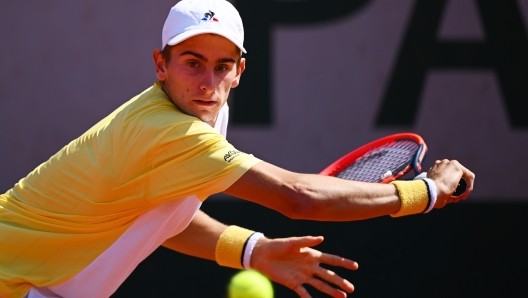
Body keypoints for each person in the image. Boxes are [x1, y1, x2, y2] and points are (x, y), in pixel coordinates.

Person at [0, 0, 475, 297]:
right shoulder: (171, 132)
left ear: (240, 70)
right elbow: (298, 197)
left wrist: (253, 251)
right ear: (160, 65)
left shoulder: (201, 110)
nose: (208, 82)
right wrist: (426, 193)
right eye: (191, 63)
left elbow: (162, 219)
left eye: (222, 66)